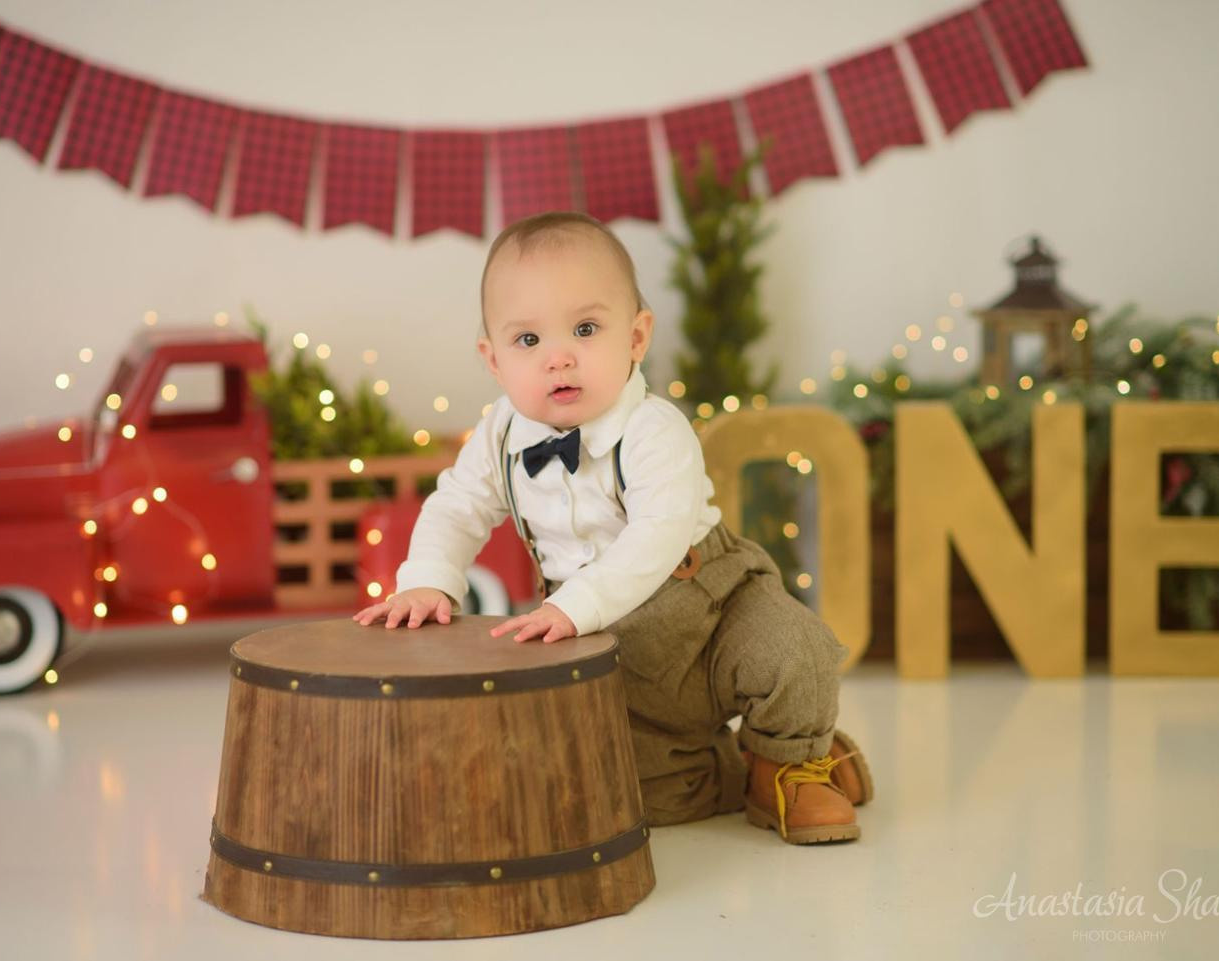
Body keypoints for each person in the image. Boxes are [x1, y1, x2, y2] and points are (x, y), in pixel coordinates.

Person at [353, 211, 873, 843]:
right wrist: (430, 580)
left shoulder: (655, 428)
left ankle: (791, 764)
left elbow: (657, 533)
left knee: (792, 649)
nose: (559, 358)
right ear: (492, 360)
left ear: (636, 336)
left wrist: (580, 603)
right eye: (528, 342)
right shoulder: (500, 435)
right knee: (639, 795)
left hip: (707, 604)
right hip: (604, 640)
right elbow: (457, 506)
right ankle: (738, 770)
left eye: (585, 328)